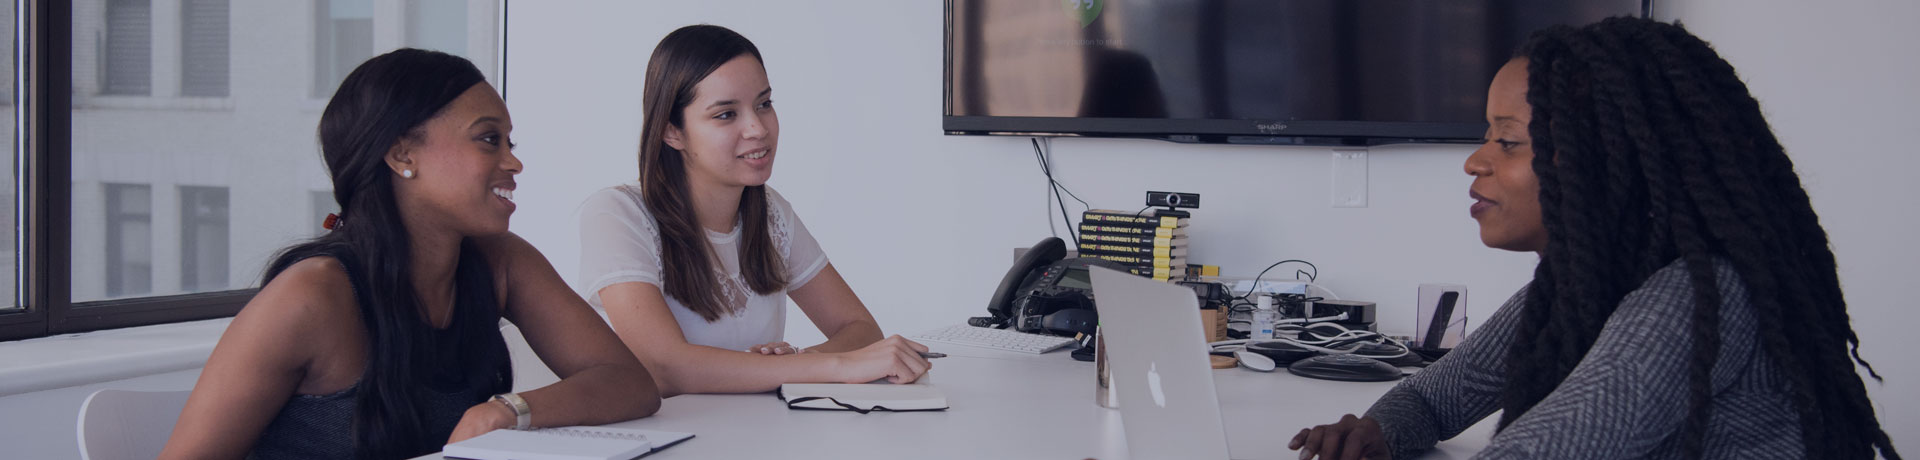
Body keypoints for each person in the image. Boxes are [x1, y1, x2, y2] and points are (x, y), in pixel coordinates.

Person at [1288, 17, 1902, 460]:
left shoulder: (1699, 296)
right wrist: (1377, 433)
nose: (1474, 161)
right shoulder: (1579, 288)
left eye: (1508, 140)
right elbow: (1430, 400)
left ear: (1606, 163)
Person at [161, 49, 661, 460]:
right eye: (489, 139)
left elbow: (628, 383)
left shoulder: (502, 262)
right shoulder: (310, 297)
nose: (514, 161)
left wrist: (507, 411)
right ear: (402, 155)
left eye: (510, 140)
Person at [577, 24, 930, 397]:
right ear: (672, 132)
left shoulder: (771, 212)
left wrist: (794, 362)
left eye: (764, 104)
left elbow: (859, 328)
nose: (758, 128)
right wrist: (819, 366)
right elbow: (666, 368)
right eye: (726, 114)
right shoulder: (617, 215)